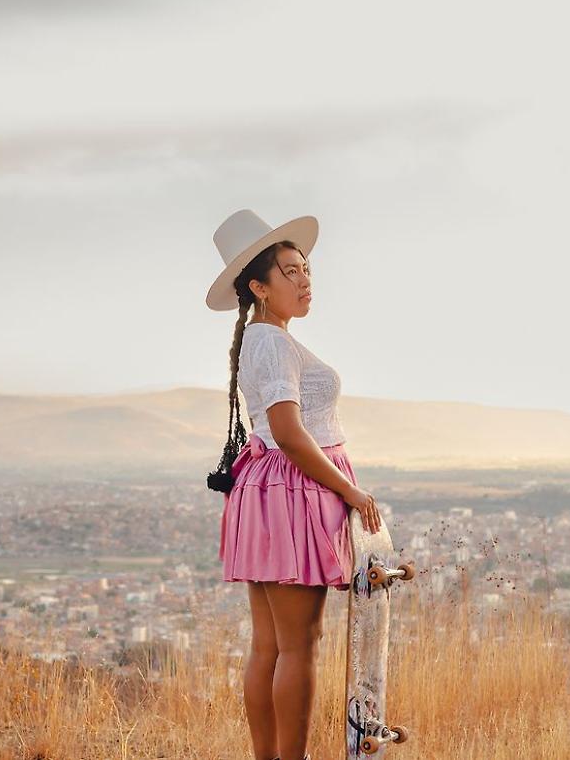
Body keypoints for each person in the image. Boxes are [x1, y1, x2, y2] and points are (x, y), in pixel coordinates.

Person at [205, 208, 382, 760]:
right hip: (293, 491)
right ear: (259, 286)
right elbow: (288, 431)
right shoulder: (274, 343)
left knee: (270, 647)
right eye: (290, 271)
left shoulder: (263, 338)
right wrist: (349, 491)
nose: (305, 280)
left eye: (306, 269)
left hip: (266, 491)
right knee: (300, 646)